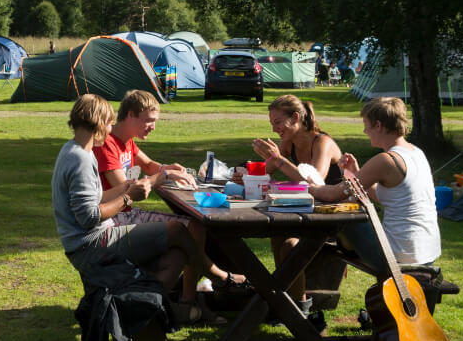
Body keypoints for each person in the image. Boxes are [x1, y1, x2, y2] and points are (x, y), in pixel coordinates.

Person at [51, 94, 220, 325]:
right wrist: (128, 196)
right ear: (98, 123)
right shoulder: (80, 158)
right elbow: (88, 217)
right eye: (109, 123)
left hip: (96, 238)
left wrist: (124, 189)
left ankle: (139, 307)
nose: (111, 129)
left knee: (177, 256)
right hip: (91, 244)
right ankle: (217, 276)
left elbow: (95, 197)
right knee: (178, 230)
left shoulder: (77, 150)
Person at [95, 89, 246, 302]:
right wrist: (165, 175)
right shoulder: (108, 144)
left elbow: (147, 165)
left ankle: (192, 296)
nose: (153, 126)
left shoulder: (125, 139)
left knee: (195, 226)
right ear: (130, 115)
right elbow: (126, 189)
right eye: (148, 120)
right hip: (115, 219)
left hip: (126, 214)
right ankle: (194, 296)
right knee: (194, 227)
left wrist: (169, 168)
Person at [310, 97, 441, 273]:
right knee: (349, 214)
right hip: (425, 253)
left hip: (397, 257)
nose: (365, 131)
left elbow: (333, 194)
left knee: (346, 215)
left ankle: (307, 270)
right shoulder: (416, 152)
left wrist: (307, 186)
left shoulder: (386, 160)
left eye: (366, 125)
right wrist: (356, 174)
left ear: (378, 126)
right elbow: (384, 197)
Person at [249, 94, 344, 308]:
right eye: (272, 123)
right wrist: (247, 173)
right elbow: (267, 169)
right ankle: (282, 296)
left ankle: (298, 306)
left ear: (295, 117)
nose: (275, 129)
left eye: (278, 122)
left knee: (291, 245)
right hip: (309, 212)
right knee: (278, 233)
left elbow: (316, 183)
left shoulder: (322, 142)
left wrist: (280, 160)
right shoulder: (289, 143)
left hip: (336, 217)